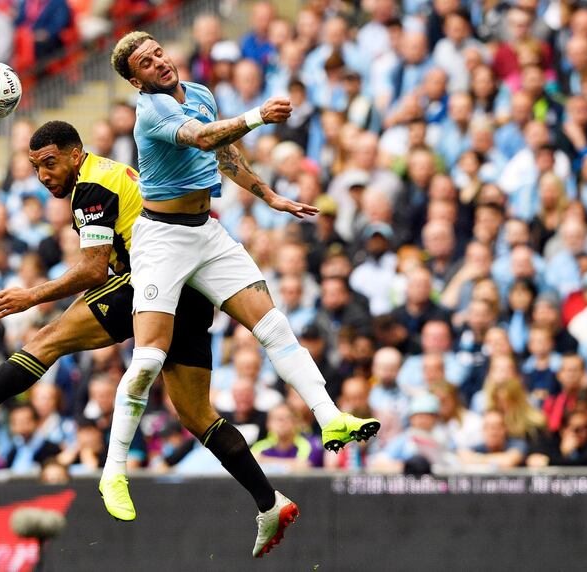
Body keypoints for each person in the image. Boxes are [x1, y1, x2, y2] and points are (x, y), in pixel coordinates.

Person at [0, 121, 290, 557]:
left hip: (150, 285)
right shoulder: (107, 173)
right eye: (35, 168)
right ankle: (269, 501)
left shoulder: (91, 187)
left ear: (74, 153)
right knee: (197, 415)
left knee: (48, 339)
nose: (44, 175)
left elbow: (92, 270)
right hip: (191, 293)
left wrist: (31, 295)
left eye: (50, 163)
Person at [107, 31, 379, 552]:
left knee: (273, 324)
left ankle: (332, 419)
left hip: (205, 232)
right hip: (160, 240)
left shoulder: (201, 93)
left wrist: (269, 194)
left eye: (160, 52)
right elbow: (202, 139)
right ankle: (114, 471)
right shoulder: (151, 112)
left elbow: (225, 156)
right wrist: (257, 115)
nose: (160, 62)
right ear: (135, 79)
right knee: (146, 362)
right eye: (146, 62)